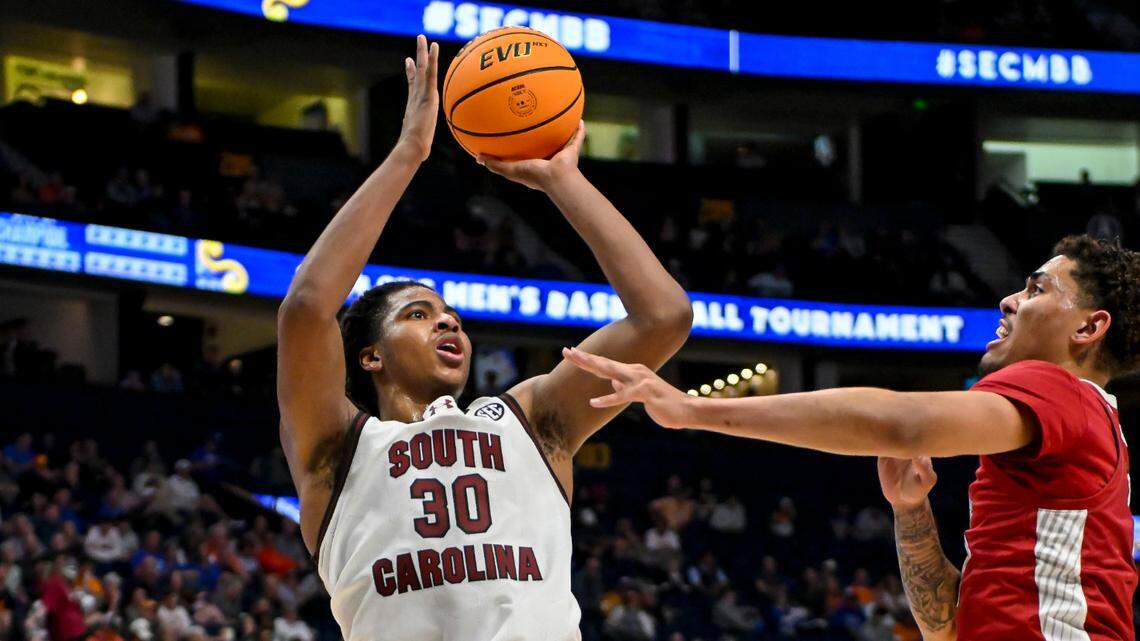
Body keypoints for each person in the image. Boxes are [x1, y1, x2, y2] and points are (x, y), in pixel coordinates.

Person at [275, 36, 691, 641]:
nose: (448, 323)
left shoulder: (529, 420)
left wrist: (561, 180)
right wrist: (408, 156)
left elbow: (662, 316)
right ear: (368, 356)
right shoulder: (337, 450)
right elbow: (309, 307)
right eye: (418, 315)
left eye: (452, 318)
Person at [563, 235, 1140, 641]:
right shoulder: (1071, 429)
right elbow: (945, 626)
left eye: (1036, 290)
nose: (1009, 299)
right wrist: (910, 511)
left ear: (1088, 328)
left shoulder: (1060, 392)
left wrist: (690, 408)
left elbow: (900, 423)